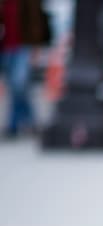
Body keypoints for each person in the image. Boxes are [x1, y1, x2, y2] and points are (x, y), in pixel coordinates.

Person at [0, 0, 50, 137]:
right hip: (6, 47)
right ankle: (29, 121)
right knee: (14, 87)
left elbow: (35, 20)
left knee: (18, 83)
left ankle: (15, 124)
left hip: (24, 46)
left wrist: (36, 47)